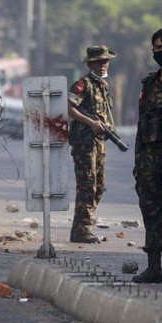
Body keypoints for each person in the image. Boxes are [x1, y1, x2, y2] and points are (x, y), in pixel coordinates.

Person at [132, 27, 162, 284]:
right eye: (158, 48)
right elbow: (142, 124)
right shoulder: (148, 84)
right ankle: (154, 267)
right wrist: (138, 161)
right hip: (150, 158)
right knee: (151, 210)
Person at [67, 44, 118, 244]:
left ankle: (80, 226)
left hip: (98, 143)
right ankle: (82, 229)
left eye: (105, 61)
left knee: (99, 186)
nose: (102, 65)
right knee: (87, 185)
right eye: (98, 62)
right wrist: (91, 123)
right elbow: (69, 108)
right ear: (90, 64)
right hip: (84, 143)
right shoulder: (83, 85)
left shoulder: (103, 87)